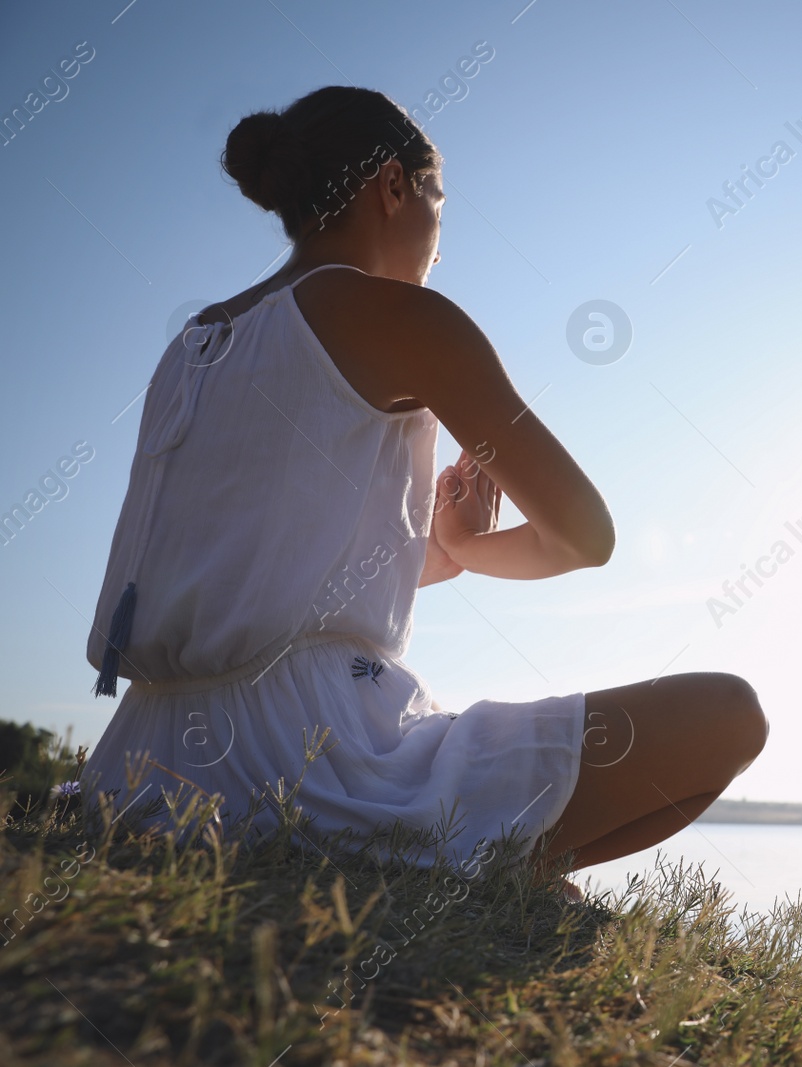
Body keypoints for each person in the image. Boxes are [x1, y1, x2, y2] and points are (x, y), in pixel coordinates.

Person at [80, 86, 766, 887]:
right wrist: (472, 542)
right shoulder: (406, 317)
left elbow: (268, 578)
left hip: (143, 766)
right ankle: (471, 869)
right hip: (318, 757)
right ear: (393, 187)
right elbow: (587, 536)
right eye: (439, 204)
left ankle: (478, 867)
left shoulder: (195, 344)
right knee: (728, 715)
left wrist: (442, 550)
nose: (441, 245)